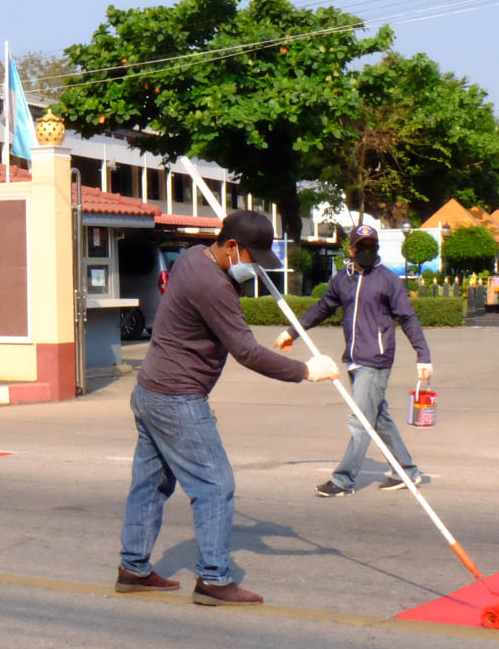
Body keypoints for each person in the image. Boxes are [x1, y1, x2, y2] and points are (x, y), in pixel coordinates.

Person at [117, 209, 339, 607]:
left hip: (150, 391)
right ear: (231, 247)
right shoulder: (213, 286)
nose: (254, 267)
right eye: (251, 258)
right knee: (216, 487)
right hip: (177, 399)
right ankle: (214, 579)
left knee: (150, 486)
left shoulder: (191, 258)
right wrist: (306, 370)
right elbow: (247, 352)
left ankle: (132, 568)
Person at [275, 223, 432, 497]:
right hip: (354, 360)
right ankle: (407, 471)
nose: (368, 251)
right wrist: (292, 332)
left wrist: (423, 355)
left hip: (376, 359)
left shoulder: (388, 280)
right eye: (362, 247)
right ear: (351, 249)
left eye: (372, 247)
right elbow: (322, 308)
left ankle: (343, 480)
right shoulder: (342, 280)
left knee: (360, 421)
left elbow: (408, 317)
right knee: (379, 418)